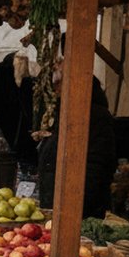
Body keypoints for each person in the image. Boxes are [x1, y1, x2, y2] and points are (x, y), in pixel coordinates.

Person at [38, 77, 117, 219]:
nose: (56, 90)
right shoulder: (65, 113)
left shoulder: (94, 116)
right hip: (59, 198)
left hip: (79, 204)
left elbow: (98, 162)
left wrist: (76, 198)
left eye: (60, 85)